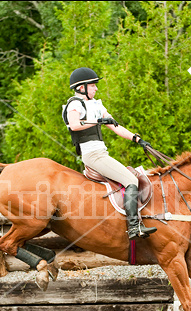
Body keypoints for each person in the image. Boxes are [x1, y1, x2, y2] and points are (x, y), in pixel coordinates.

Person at [62, 67, 157, 240]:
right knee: (131, 180)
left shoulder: (96, 104)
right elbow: (74, 125)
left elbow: (115, 125)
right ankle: (134, 227)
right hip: (92, 155)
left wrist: (137, 139)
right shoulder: (75, 104)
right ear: (81, 87)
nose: (96, 88)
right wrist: (98, 121)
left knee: (134, 175)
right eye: (93, 85)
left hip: (102, 154)